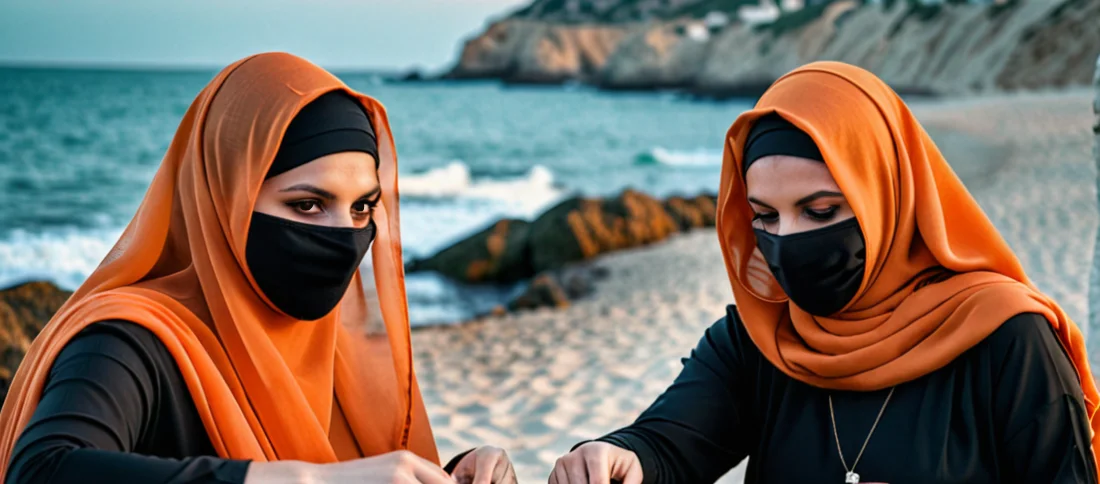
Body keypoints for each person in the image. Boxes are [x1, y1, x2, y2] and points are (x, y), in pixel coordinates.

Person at [550, 61, 1100, 483]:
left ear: (886, 198)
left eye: (820, 212)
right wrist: (617, 457)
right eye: (764, 216)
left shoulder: (1007, 338)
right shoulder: (757, 340)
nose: (786, 242)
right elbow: (665, 446)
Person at [0, 52, 515, 484]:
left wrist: (450, 474)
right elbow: (42, 469)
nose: (344, 235)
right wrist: (300, 480)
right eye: (308, 206)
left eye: (361, 208)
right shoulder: (131, 339)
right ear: (226, 201)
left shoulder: (327, 342)